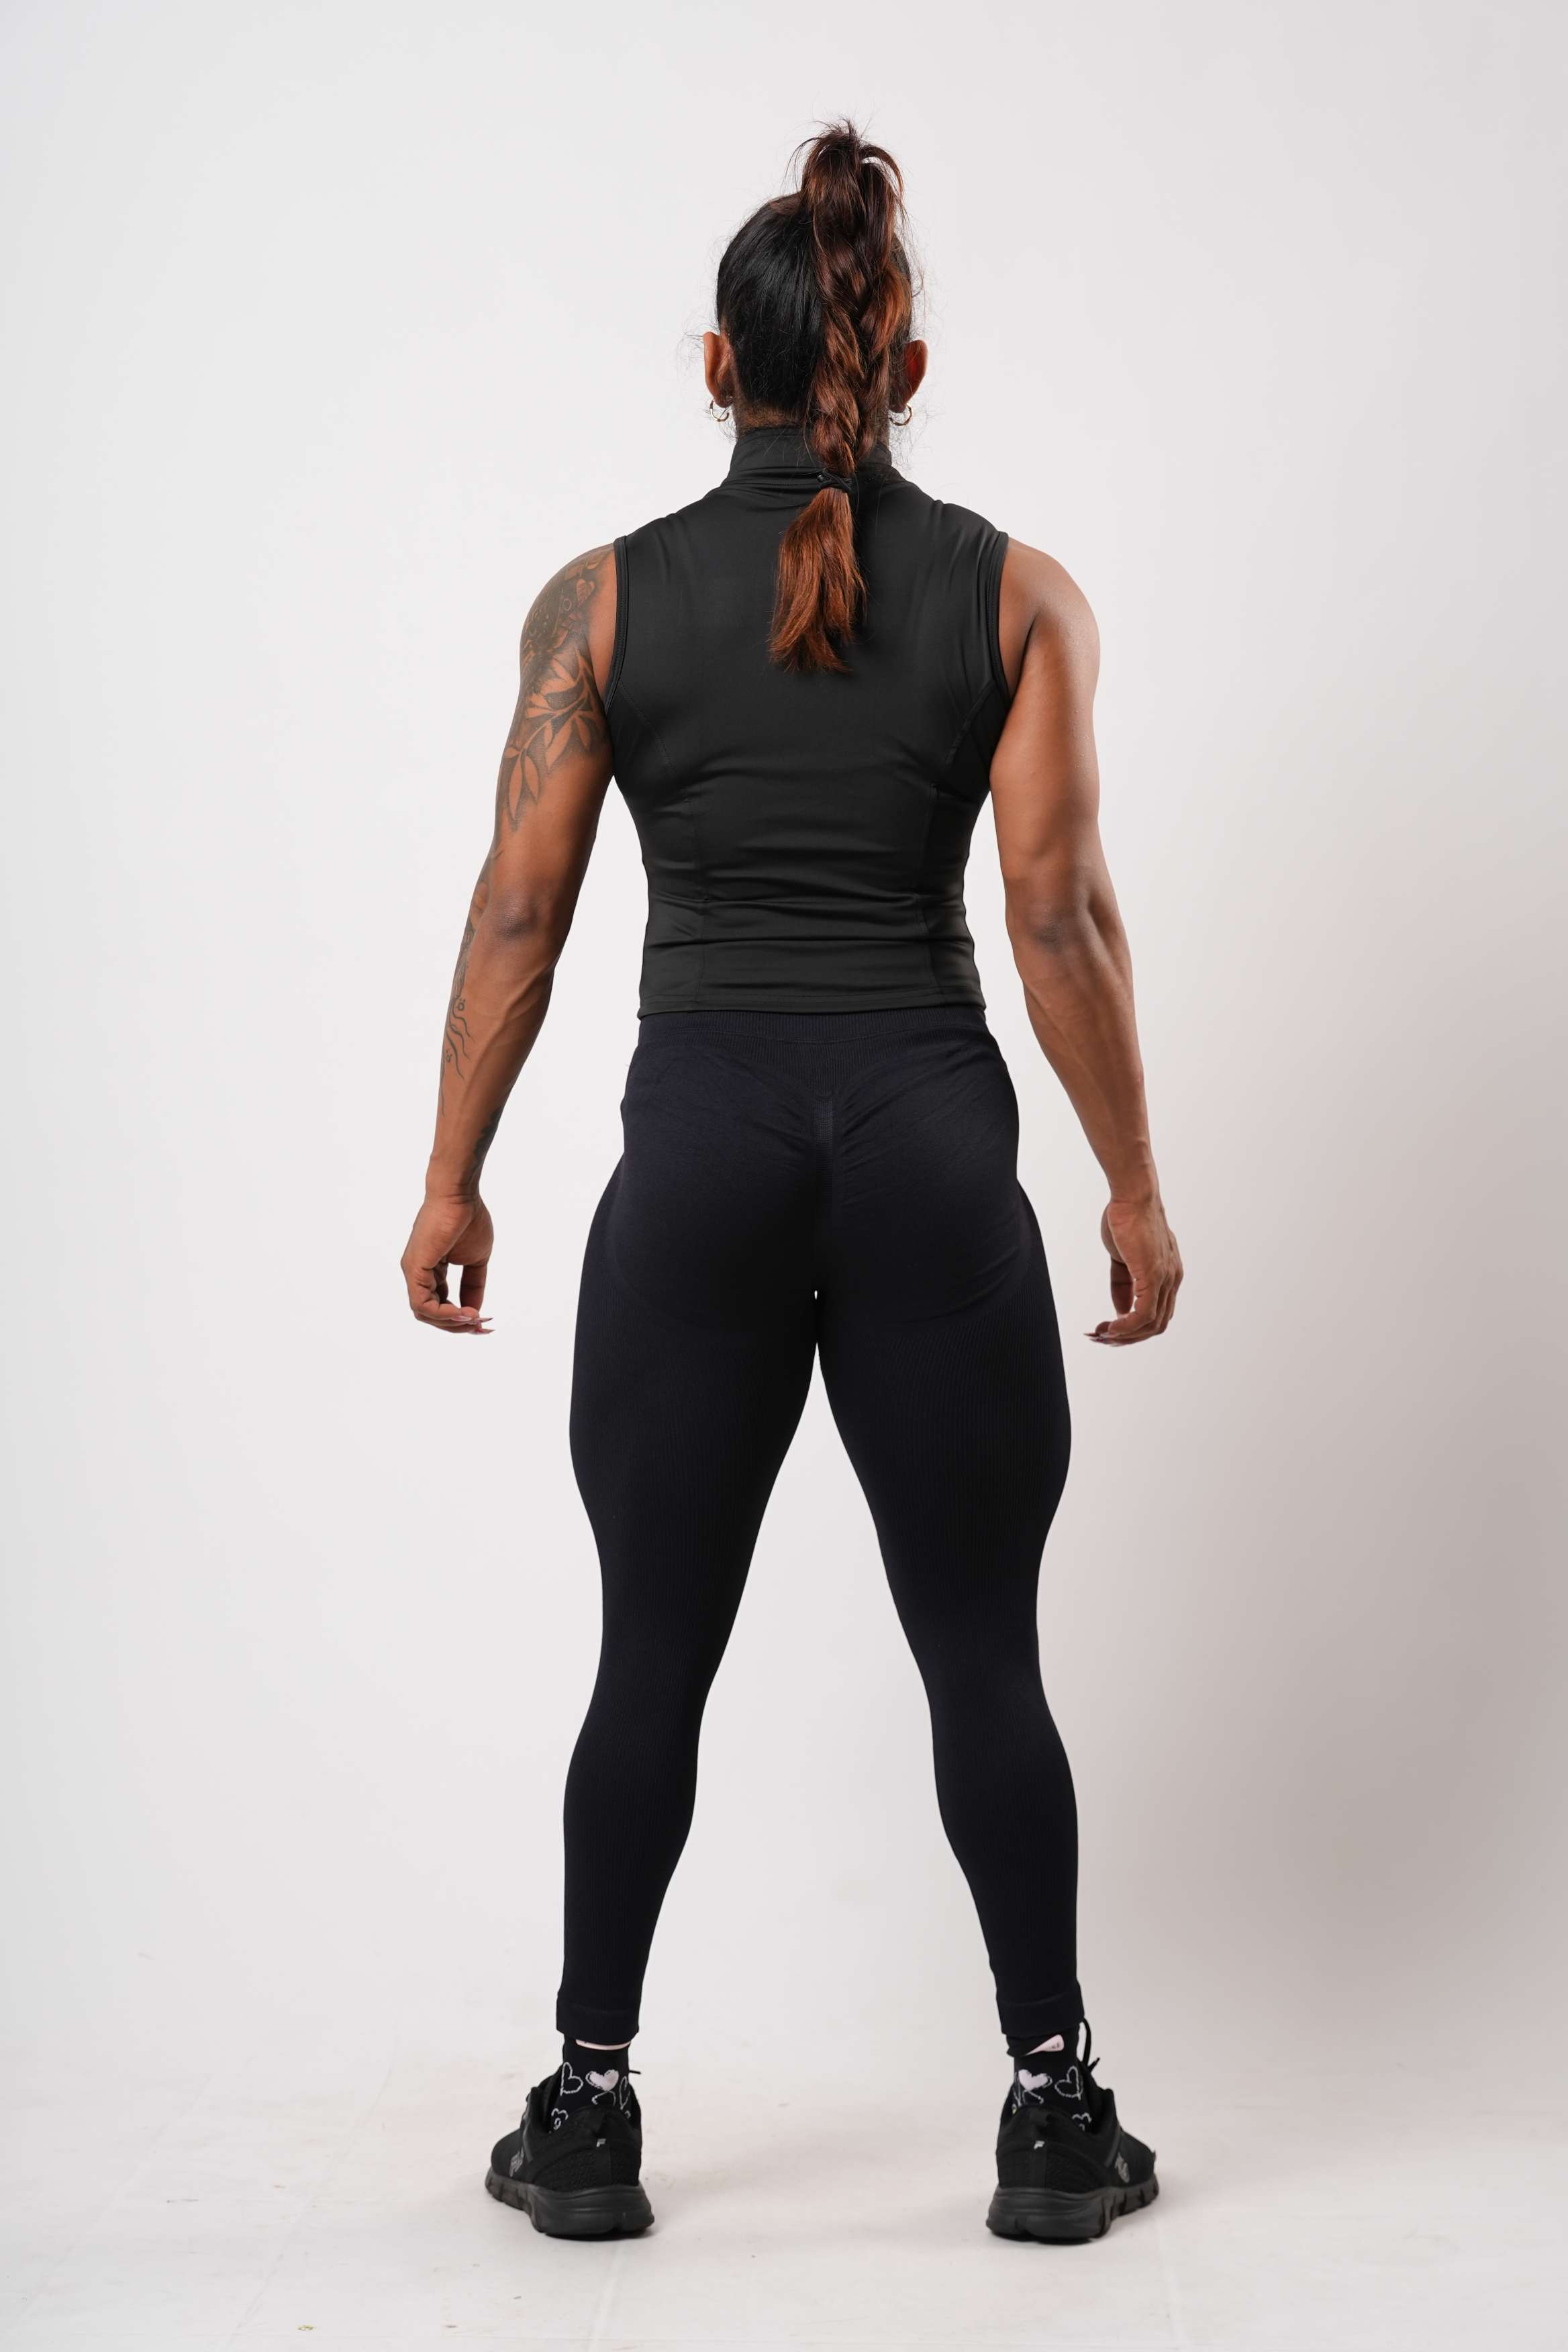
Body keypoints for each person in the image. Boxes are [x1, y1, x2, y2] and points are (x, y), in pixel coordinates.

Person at [401, 121, 1181, 2246]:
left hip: (703, 1161)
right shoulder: (1018, 596)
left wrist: (453, 1175)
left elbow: (520, 911)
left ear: (712, 372)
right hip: (931, 1151)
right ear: (901, 369)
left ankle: (587, 2111)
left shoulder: (600, 603)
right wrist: (1131, 1183)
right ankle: (1052, 2112)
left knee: (648, 1654)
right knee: (986, 1655)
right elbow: (1055, 919)